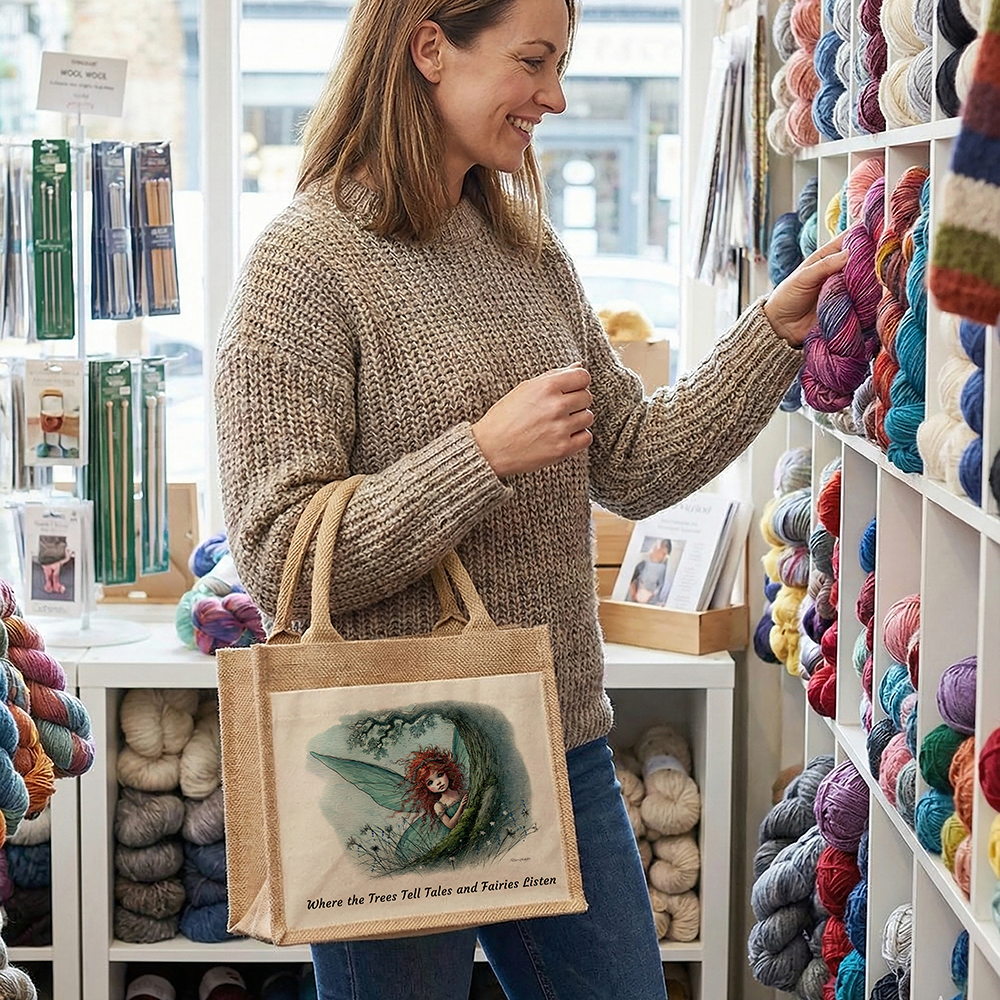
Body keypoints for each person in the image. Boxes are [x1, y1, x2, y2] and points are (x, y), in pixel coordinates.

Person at [213, 0, 848, 995]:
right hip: (388, 753)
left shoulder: (527, 253)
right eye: (534, 61)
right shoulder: (303, 265)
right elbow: (274, 549)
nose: (553, 96)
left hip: (561, 739)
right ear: (430, 47)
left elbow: (635, 458)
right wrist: (480, 456)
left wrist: (772, 328)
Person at [401, 747, 469, 832]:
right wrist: (461, 807)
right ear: (425, 788)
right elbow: (451, 825)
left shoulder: (460, 792)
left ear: (447, 772)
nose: (438, 783)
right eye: (430, 783)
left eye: (440, 775)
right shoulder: (438, 805)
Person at [627, 538, 673, 605]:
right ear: (657, 547)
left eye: (665, 555)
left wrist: (651, 594)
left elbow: (660, 586)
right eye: (663, 553)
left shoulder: (663, 568)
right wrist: (634, 594)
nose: (664, 557)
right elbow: (632, 579)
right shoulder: (642, 560)